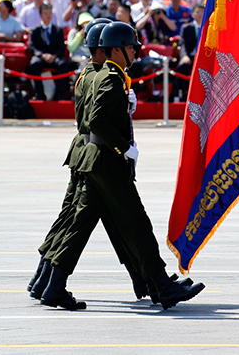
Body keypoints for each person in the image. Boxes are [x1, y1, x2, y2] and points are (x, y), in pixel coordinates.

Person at [47, 22, 205, 309]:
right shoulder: (110, 78)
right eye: (131, 46)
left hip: (97, 160)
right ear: (117, 49)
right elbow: (96, 121)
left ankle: (55, 284)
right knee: (136, 225)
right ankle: (161, 285)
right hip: (107, 161)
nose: (135, 51)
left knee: (82, 224)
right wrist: (125, 147)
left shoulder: (113, 77)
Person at [29, 18, 152, 307]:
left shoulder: (92, 73)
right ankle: (51, 282)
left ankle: (45, 279)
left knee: (79, 219)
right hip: (100, 156)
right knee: (94, 222)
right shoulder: (102, 75)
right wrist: (124, 146)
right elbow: (96, 119)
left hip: (88, 154)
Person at [28, 3, 72, 100]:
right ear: (40, 15)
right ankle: (38, 94)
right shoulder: (35, 30)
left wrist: (54, 56)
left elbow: (61, 47)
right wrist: (42, 55)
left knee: (63, 64)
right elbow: (32, 47)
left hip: (55, 57)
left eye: (49, 13)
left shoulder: (58, 30)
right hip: (41, 57)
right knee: (33, 64)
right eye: (45, 13)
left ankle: (60, 94)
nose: (48, 16)